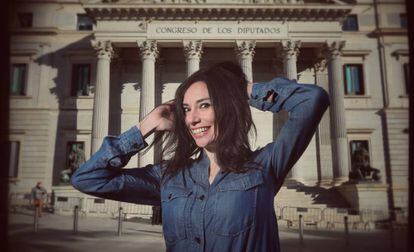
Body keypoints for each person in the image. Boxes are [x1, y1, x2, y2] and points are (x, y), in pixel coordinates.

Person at [71, 62, 329, 251]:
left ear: (227, 106)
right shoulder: (170, 177)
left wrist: (239, 89)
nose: (192, 118)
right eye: (186, 109)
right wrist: (146, 125)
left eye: (205, 105)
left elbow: (312, 99)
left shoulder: (264, 166)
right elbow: (88, 178)